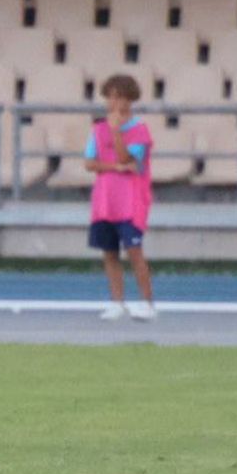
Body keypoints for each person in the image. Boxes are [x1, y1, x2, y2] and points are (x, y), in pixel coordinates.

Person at [83, 74, 156, 321]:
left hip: (130, 202)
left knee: (134, 251)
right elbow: (90, 163)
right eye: (109, 97)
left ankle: (147, 302)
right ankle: (117, 301)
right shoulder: (98, 129)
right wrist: (113, 167)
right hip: (105, 201)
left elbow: (127, 159)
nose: (113, 102)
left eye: (118, 97)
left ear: (129, 100)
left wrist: (116, 133)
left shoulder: (139, 130)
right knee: (109, 252)